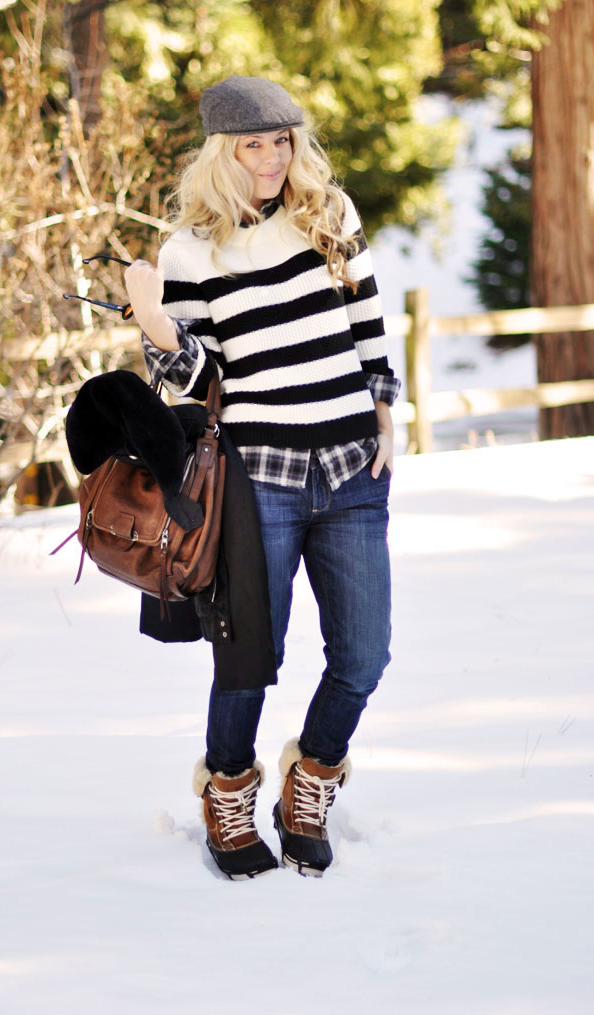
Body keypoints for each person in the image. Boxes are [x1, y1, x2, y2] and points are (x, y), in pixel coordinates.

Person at [124, 75, 400, 880]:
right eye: (256, 144)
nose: (275, 158)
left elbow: (369, 325)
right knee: (249, 654)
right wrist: (153, 320)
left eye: (284, 140)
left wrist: (386, 412)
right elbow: (189, 377)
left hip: (353, 470)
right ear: (222, 151)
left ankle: (310, 776)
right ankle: (229, 786)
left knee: (365, 654)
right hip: (261, 478)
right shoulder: (190, 251)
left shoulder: (329, 214)